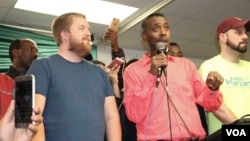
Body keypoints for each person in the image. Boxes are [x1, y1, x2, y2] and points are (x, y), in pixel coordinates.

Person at [122, 12, 237, 141]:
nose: (163, 32)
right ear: (145, 36)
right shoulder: (132, 71)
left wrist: (212, 89)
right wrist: (151, 75)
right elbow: (133, 114)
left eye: (166, 27)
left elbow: (209, 104)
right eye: (155, 29)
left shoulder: (186, 66)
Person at [26, 12, 121, 141]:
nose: (88, 33)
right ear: (65, 35)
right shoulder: (42, 66)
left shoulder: (100, 73)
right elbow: (34, 117)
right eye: (81, 28)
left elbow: (111, 117)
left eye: (88, 29)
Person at [199, 17, 250, 135]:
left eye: (245, 33)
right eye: (238, 32)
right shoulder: (209, 66)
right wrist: (242, 131)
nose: (245, 37)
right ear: (223, 37)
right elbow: (217, 108)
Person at [168, 42, 208, 136]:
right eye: (171, 54)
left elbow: (201, 114)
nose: (176, 57)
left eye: (179, 54)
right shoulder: (162, 84)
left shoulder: (192, 84)